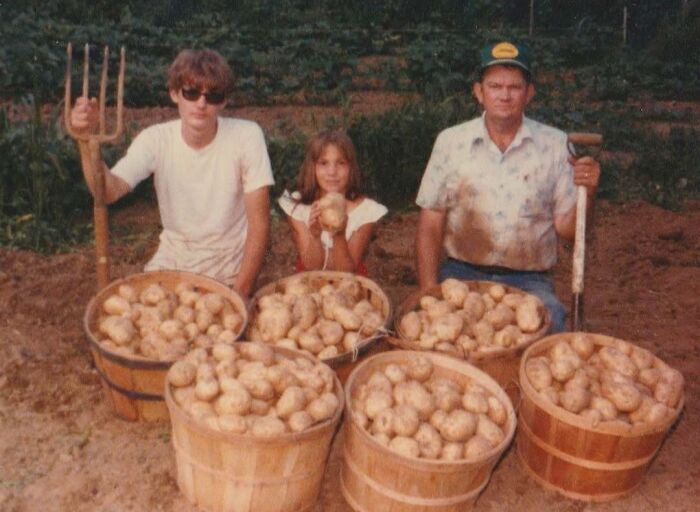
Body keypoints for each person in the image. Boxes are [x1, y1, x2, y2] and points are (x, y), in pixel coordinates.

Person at [414, 41, 601, 332]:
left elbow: (568, 230)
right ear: (479, 92)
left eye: (514, 87)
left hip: (530, 281)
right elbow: (430, 223)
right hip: (461, 275)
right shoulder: (451, 143)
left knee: (548, 326)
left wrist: (587, 193)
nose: (504, 95)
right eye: (495, 86)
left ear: (529, 93)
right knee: (446, 338)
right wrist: (428, 289)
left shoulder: (556, 145)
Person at [69, 48, 273, 297]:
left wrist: (240, 292)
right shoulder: (156, 139)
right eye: (191, 92)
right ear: (174, 94)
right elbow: (107, 192)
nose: (201, 103)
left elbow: (260, 223)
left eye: (213, 96)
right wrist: (85, 140)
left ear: (224, 101)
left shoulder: (247, 136)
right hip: (172, 262)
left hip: (230, 267)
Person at [278, 130, 387, 274]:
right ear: (313, 167)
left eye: (340, 163)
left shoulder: (365, 212)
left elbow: (347, 272)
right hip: (310, 283)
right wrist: (315, 235)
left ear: (351, 168)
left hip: (349, 286)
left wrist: (339, 235)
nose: (332, 172)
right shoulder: (299, 207)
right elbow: (311, 267)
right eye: (324, 163)